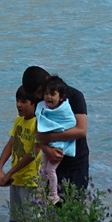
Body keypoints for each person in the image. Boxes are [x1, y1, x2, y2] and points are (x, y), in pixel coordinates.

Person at [21, 65, 90, 192]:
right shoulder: (41, 100)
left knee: (73, 205)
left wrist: (48, 138)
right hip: (51, 162)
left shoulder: (75, 96)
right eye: (36, 94)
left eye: (39, 91)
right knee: (51, 206)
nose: (39, 96)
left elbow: (81, 130)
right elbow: (39, 129)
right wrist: (47, 149)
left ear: (48, 79)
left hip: (75, 162)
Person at [0, 87, 41, 222]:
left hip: (31, 181)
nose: (19, 105)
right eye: (17, 101)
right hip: (16, 179)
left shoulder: (39, 123)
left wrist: (9, 173)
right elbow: (11, 143)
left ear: (34, 103)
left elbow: (34, 152)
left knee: (33, 221)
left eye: (23, 102)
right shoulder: (18, 121)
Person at [35, 76, 77, 204]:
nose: (48, 97)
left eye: (53, 94)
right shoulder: (43, 107)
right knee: (42, 168)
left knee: (50, 169)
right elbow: (40, 119)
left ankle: (54, 195)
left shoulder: (64, 109)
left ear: (61, 97)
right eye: (46, 94)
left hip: (59, 146)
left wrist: (56, 130)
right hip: (48, 144)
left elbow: (70, 122)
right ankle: (41, 192)